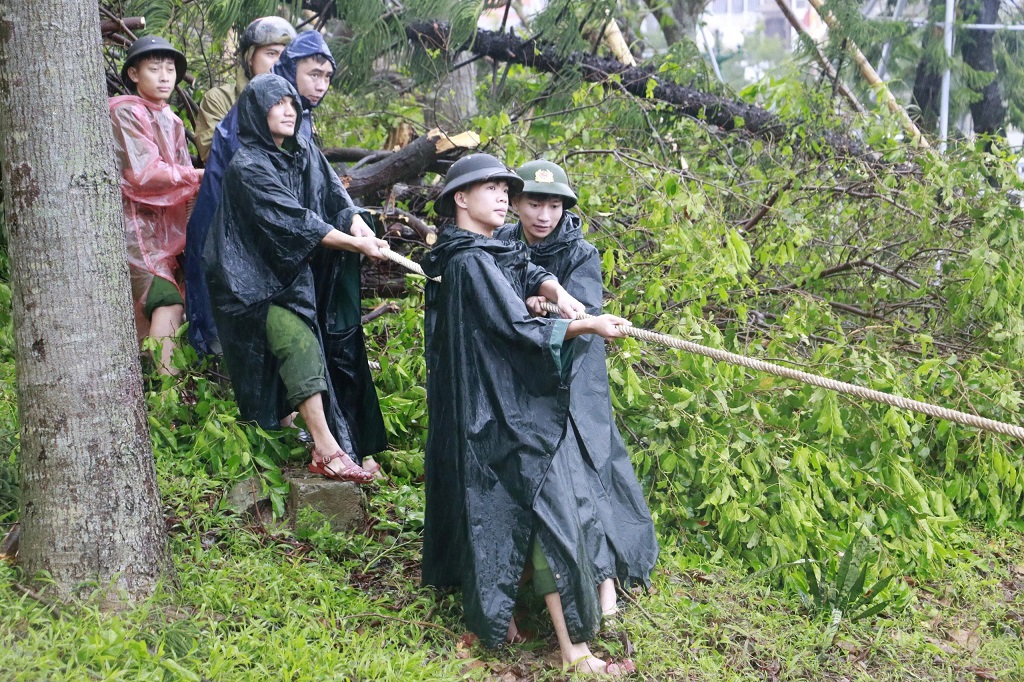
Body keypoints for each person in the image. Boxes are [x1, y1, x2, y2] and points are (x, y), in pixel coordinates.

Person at [421, 154, 636, 676]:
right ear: (460, 199)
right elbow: (517, 330)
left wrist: (554, 290)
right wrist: (588, 327)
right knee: (544, 514)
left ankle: (518, 625)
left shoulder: (479, 250)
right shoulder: (469, 262)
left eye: (503, 188)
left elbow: (522, 268)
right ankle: (574, 652)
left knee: (521, 513)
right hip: (496, 414)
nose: (502, 197)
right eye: (490, 188)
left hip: (495, 407)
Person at [202, 73, 388, 484]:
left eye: (292, 103)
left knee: (336, 345)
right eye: (278, 103)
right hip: (246, 283)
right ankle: (325, 448)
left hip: (292, 277)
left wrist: (358, 224)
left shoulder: (304, 149)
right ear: (255, 110)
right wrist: (359, 247)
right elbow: (298, 223)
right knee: (299, 341)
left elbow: (335, 196)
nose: (289, 110)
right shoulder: (247, 167)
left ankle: (348, 440)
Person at [495, 160, 659, 620]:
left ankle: (605, 583)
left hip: (574, 372)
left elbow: (584, 314)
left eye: (552, 205)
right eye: (533, 203)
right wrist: (530, 302)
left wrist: (542, 303)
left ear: (564, 208)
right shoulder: (504, 240)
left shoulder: (581, 251)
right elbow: (497, 299)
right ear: (516, 203)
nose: (543, 215)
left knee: (587, 469)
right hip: (521, 369)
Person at [184, 29, 335, 358]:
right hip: (229, 223)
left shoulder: (295, 109)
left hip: (264, 231)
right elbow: (253, 174)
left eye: (327, 75)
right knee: (226, 316)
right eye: (271, 53)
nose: (321, 84)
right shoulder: (254, 104)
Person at [109, 35, 203, 375]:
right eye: (154, 69)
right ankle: (171, 390)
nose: (165, 77)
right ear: (134, 74)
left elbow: (183, 182)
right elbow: (143, 174)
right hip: (137, 229)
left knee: (162, 307)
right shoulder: (126, 111)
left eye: (170, 69)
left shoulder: (173, 120)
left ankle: (153, 385)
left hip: (168, 234)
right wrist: (197, 175)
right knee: (166, 300)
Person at [193, 16, 296, 162]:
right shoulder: (219, 99)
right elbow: (214, 157)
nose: (278, 62)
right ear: (250, 57)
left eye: (284, 56)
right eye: (271, 53)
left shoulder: (294, 105)